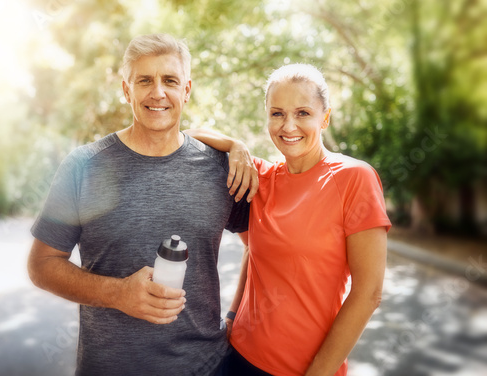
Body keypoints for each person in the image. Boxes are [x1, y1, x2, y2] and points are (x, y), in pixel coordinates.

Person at [27, 33, 254, 375]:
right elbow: (42, 264)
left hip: (203, 367)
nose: (158, 92)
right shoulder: (83, 166)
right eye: (144, 80)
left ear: (187, 91)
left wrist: (236, 316)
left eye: (170, 81)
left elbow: (262, 249)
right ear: (126, 90)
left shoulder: (220, 168)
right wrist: (116, 293)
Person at [188, 63, 391, 376]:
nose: (288, 126)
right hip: (235, 357)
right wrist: (234, 145)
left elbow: (368, 293)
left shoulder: (354, 178)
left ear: (325, 117)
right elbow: (187, 136)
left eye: (303, 113)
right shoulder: (260, 178)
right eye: (277, 113)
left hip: (304, 370)